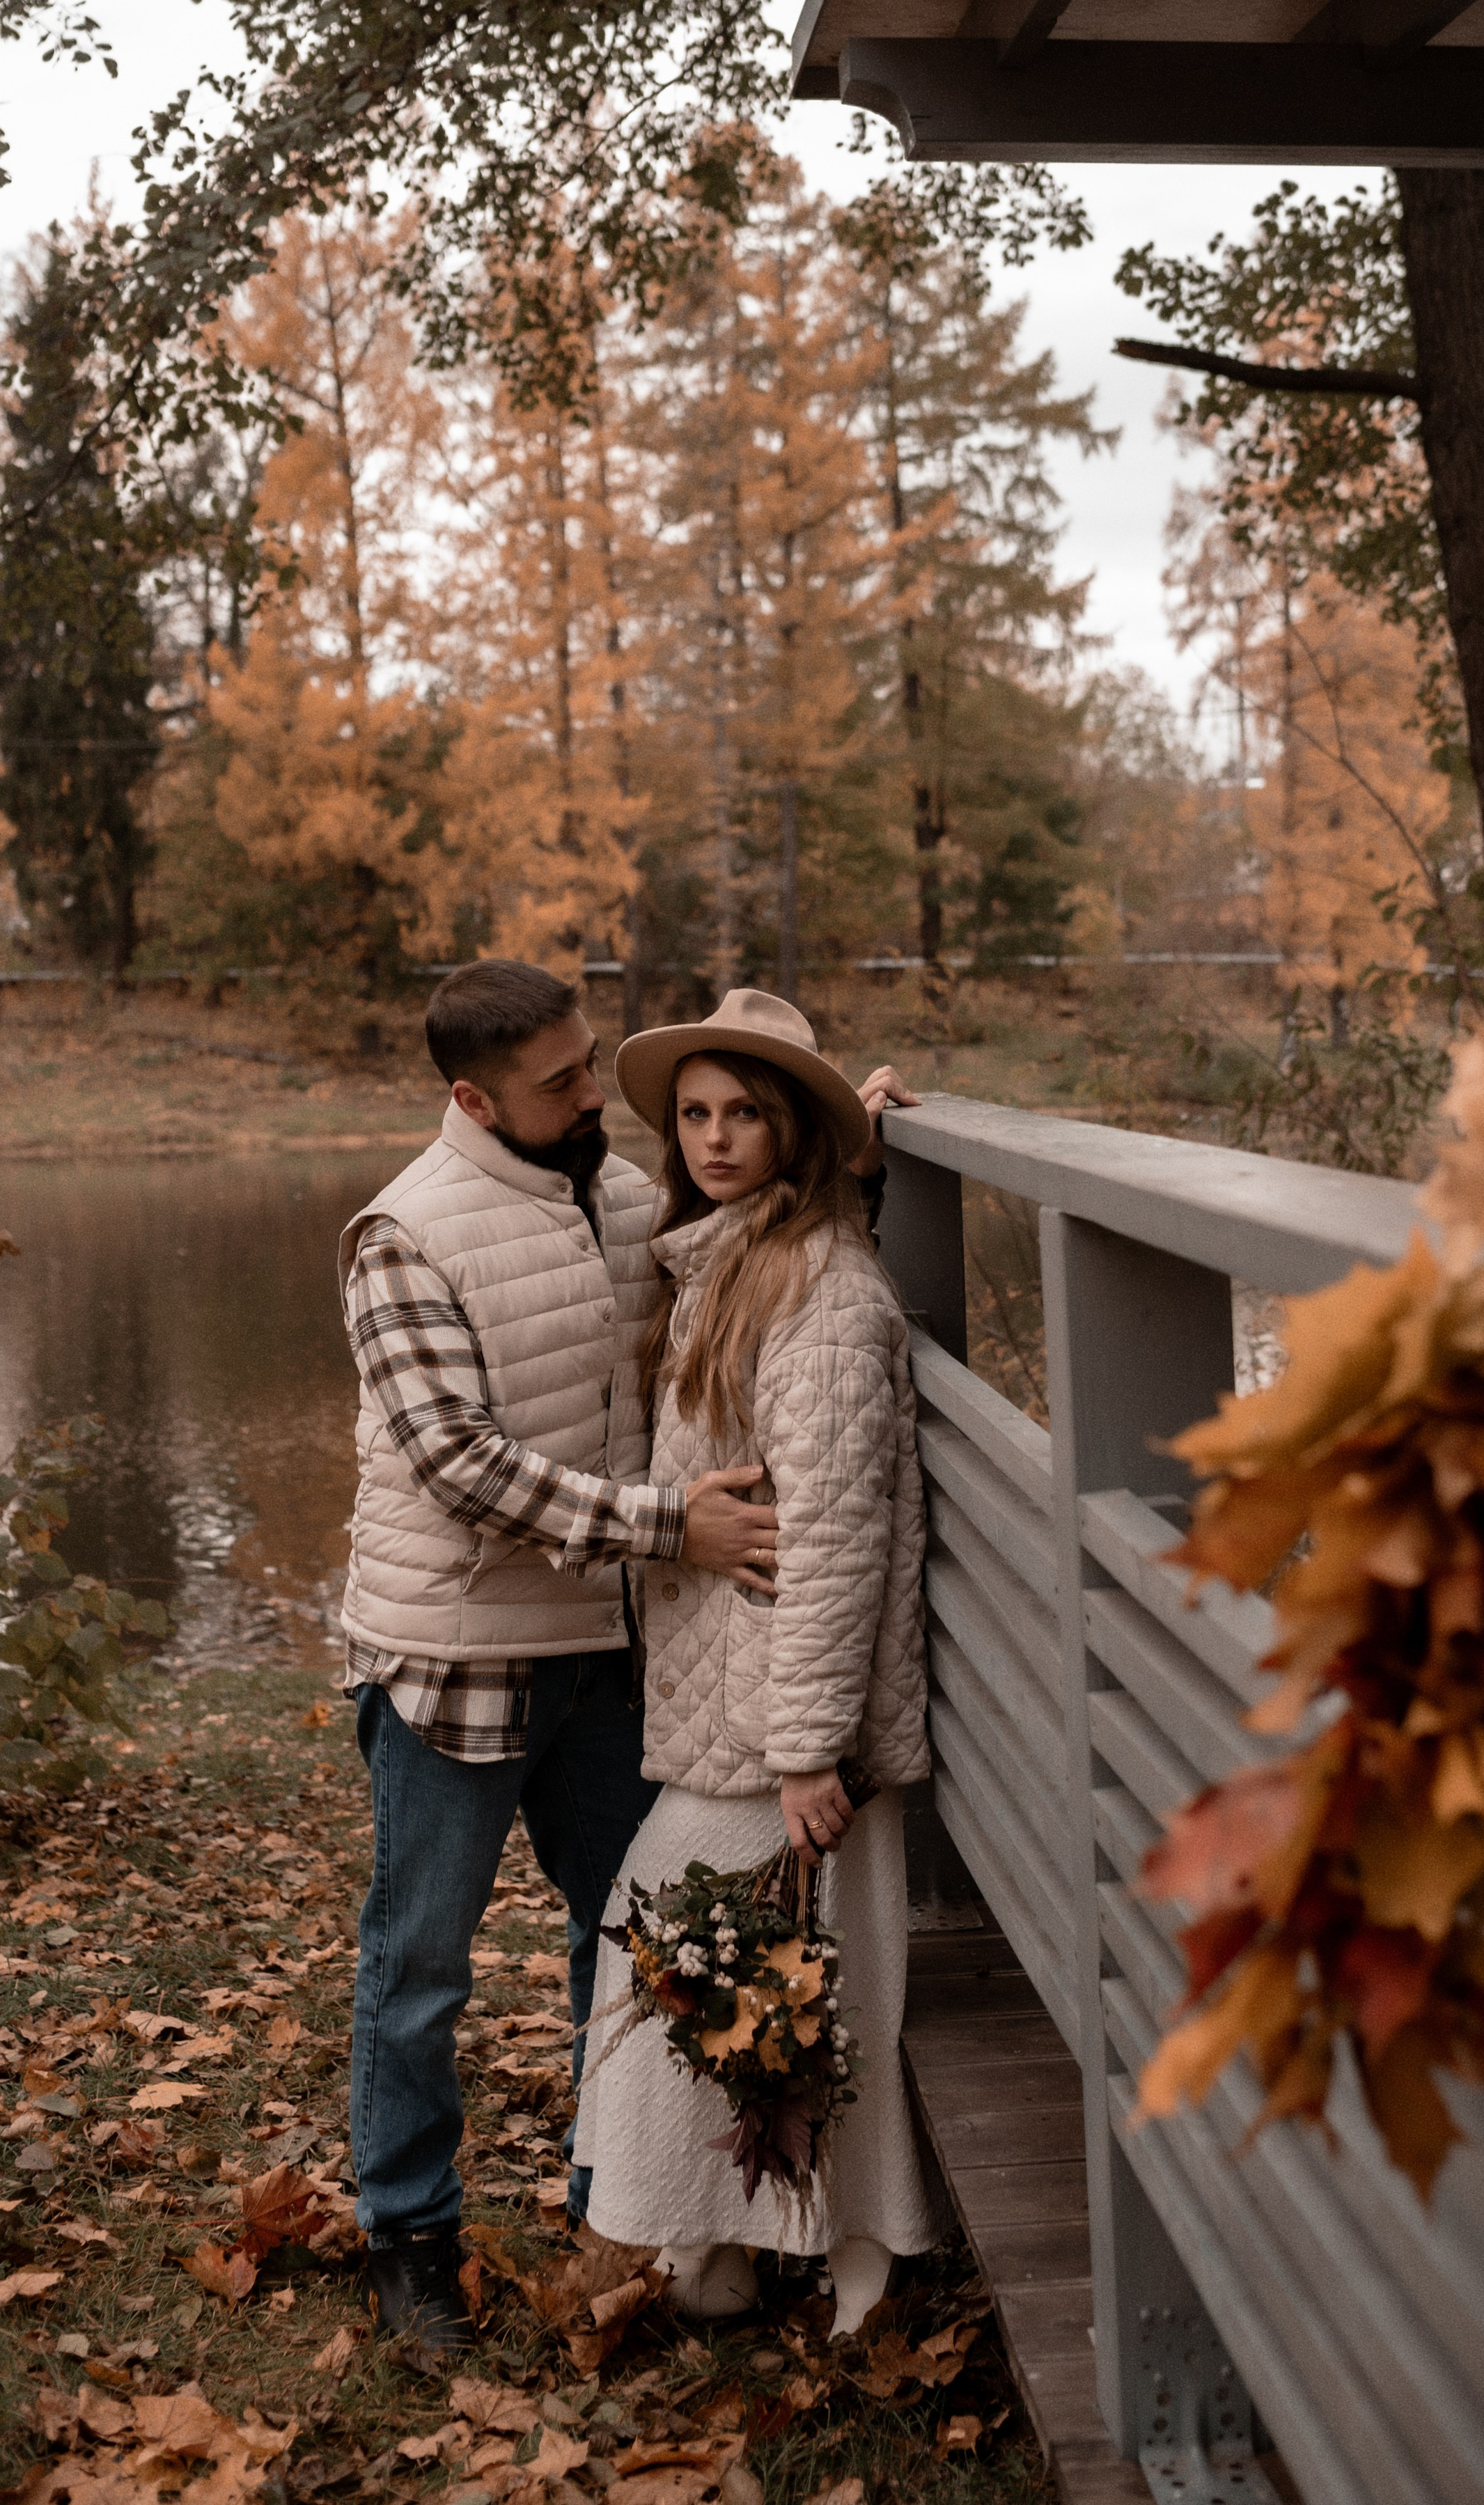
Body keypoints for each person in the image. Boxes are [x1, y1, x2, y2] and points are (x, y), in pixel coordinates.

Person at [338, 960, 914, 2367]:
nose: (599, 1096)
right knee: (419, 1967)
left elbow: (766, 1268)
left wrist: (862, 1147)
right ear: (474, 1097)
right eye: (561, 1080)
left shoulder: (613, 1196)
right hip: (456, 1664)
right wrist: (674, 1525)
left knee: (661, 1943)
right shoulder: (400, 1234)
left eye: (592, 1063)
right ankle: (408, 2232)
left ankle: (677, 2211)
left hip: (604, 1659)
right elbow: (460, 1467)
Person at [577, 988, 946, 2335]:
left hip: (786, 1720)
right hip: (731, 1694)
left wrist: (806, 1750)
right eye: (696, 1114)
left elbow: (839, 1537)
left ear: (792, 1132)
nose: (717, 1137)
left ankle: (856, 2255)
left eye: (747, 1114)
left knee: (741, 1965)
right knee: (754, 1975)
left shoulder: (826, 1296)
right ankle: (728, 2249)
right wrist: (869, 1153)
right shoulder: (726, 1258)